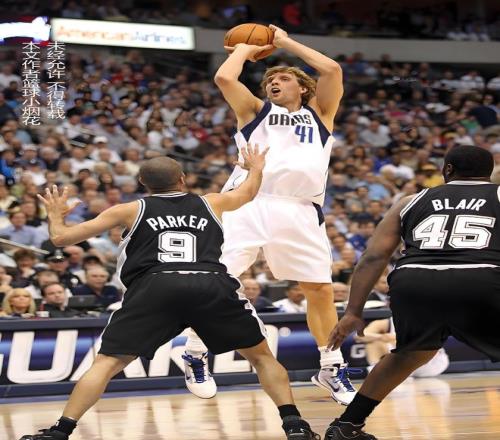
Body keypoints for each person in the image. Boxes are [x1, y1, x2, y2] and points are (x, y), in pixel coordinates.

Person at [21, 149, 320, 440]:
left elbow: (61, 238)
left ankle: (60, 431)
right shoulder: (211, 202)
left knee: (106, 364)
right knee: (262, 358)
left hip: (154, 286)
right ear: (183, 178)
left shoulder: (129, 209)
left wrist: (55, 215)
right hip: (209, 282)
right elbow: (248, 193)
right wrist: (255, 168)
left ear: (142, 183)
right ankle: (294, 425)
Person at [184, 24, 356, 406]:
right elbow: (224, 78)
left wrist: (284, 43)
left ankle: (331, 366)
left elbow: (332, 70)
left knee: (320, 289)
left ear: (303, 88)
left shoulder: (321, 114)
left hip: (301, 207)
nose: (273, 83)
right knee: (217, 281)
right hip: (249, 200)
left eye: (282, 78)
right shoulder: (256, 111)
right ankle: (195, 351)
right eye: (270, 81)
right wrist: (243, 50)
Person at [324, 145, 500, 439]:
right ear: (490, 172)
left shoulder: (411, 200)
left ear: (447, 170)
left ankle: (347, 425)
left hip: (414, 280)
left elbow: (373, 256)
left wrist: (353, 311)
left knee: (409, 354)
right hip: (480, 277)